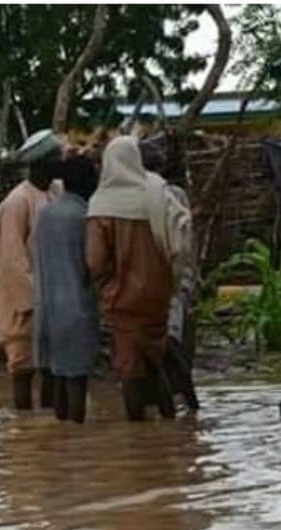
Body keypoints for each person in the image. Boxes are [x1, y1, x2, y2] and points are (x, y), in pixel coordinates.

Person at [86, 136, 190, 422]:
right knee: (154, 357)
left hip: (123, 298)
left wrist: (107, 288)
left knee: (129, 366)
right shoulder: (158, 194)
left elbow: (95, 261)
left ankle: (138, 432)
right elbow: (179, 241)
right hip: (158, 293)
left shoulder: (102, 204)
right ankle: (168, 423)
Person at [0, 132, 61, 410]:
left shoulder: (57, 192)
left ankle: (47, 430)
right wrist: (33, 301)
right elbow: (12, 259)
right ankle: (23, 430)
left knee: (51, 368)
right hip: (20, 295)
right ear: (41, 163)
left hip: (51, 291)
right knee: (22, 367)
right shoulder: (16, 203)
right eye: (55, 159)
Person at [35, 155, 101, 423]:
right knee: (77, 378)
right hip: (77, 306)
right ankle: (76, 438)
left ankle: (61, 443)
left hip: (48, 307)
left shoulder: (46, 213)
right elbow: (92, 263)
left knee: (58, 375)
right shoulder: (84, 216)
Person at [140, 142, 200, 412]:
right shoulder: (173, 195)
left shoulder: (157, 196)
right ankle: (182, 405)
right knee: (172, 343)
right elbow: (186, 244)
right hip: (175, 280)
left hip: (160, 281)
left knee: (167, 346)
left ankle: (180, 403)